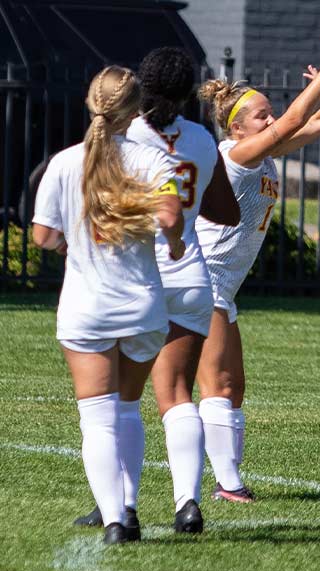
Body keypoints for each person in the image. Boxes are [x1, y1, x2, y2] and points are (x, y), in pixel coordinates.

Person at [195, 22, 320, 502]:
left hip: (222, 287)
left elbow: (315, 122)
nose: (271, 119)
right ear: (237, 127)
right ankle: (228, 484)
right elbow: (295, 122)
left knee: (233, 385)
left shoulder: (263, 155)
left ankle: (225, 479)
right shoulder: (237, 154)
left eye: (269, 114)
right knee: (218, 383)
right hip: (200, 281)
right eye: (260, 116)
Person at [71, 47, 241, 533]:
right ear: (189, 92)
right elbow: (226, 212)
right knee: (177, 393)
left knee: (121, 402)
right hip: (190, 276)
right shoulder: (202, 139)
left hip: (136, 278)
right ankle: (187, 501)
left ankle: (120, 505)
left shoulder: (123, 136)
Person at [31, 65, 185, 544]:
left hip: (86, 307)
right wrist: (175, 244)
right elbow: (170, 214)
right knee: (127, 408)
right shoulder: (150, 158)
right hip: (142, 305)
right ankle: (130, 506)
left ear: (90, 103)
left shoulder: (63, 162)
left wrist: (70, 248)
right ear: (135, 111)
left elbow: (42, 236)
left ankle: (116, 519)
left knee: (96, 418)